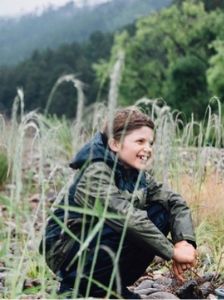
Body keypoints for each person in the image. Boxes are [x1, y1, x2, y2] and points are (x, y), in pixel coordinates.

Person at [42, 107, 197, 298]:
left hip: (96, 243)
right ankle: (78, 286)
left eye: (150, 142)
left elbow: (175, 201)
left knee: (161, 211)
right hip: (67, 252)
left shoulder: (135, 173)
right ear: (115, 144)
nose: (147, 148)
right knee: (129, 225)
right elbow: (126, 217)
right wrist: (172, 252)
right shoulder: (94, 172)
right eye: (140, 141)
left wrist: (184, 242)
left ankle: (111, 287)